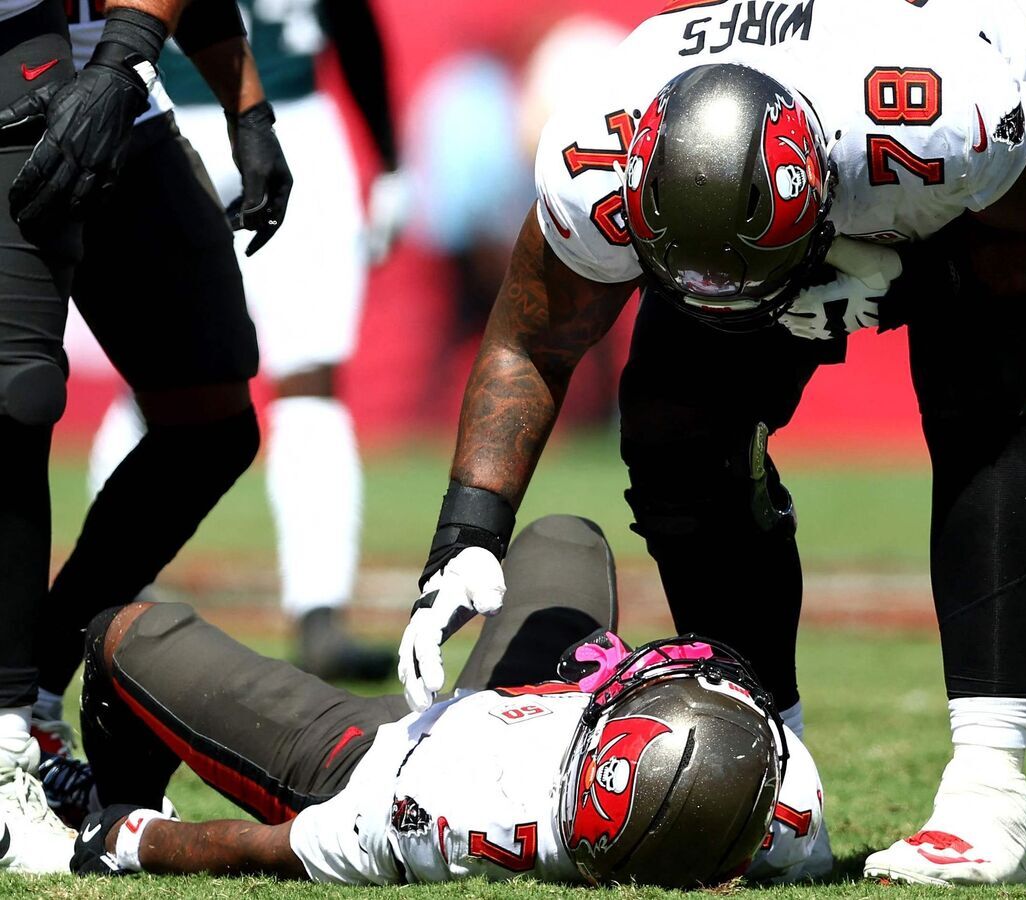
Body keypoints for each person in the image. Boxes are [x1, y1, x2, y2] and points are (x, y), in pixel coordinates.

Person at [399, 0, 1026, 886]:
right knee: (676, 433)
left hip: (1015, 57)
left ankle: (985, 794)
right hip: (788, 143)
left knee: (979, 401)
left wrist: (925, 282)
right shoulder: (598, 148)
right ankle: (771, 776)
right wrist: (467, 534)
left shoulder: (942, 116)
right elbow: (534, 338)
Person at [44, 514, 830, 885]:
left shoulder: (445, 813)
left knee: (127, 634)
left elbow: (272, 850)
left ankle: (119, 799)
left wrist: (132, 839)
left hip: (380, 757)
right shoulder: (779, 793)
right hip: (518, 702)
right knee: (565, 537)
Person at [0, 0, 288, 875]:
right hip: (19, 65)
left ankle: (37, 696)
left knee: (212, 423)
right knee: (15, 400)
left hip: (122, 84)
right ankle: (5, 747)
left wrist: (247, 106)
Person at [87, 0, 404, 680]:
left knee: (265, 379)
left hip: (184, 108)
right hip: (237, 112)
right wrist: (389, 158)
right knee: (269, 381)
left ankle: (120, 600)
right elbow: (355, 27)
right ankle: (313, 611)